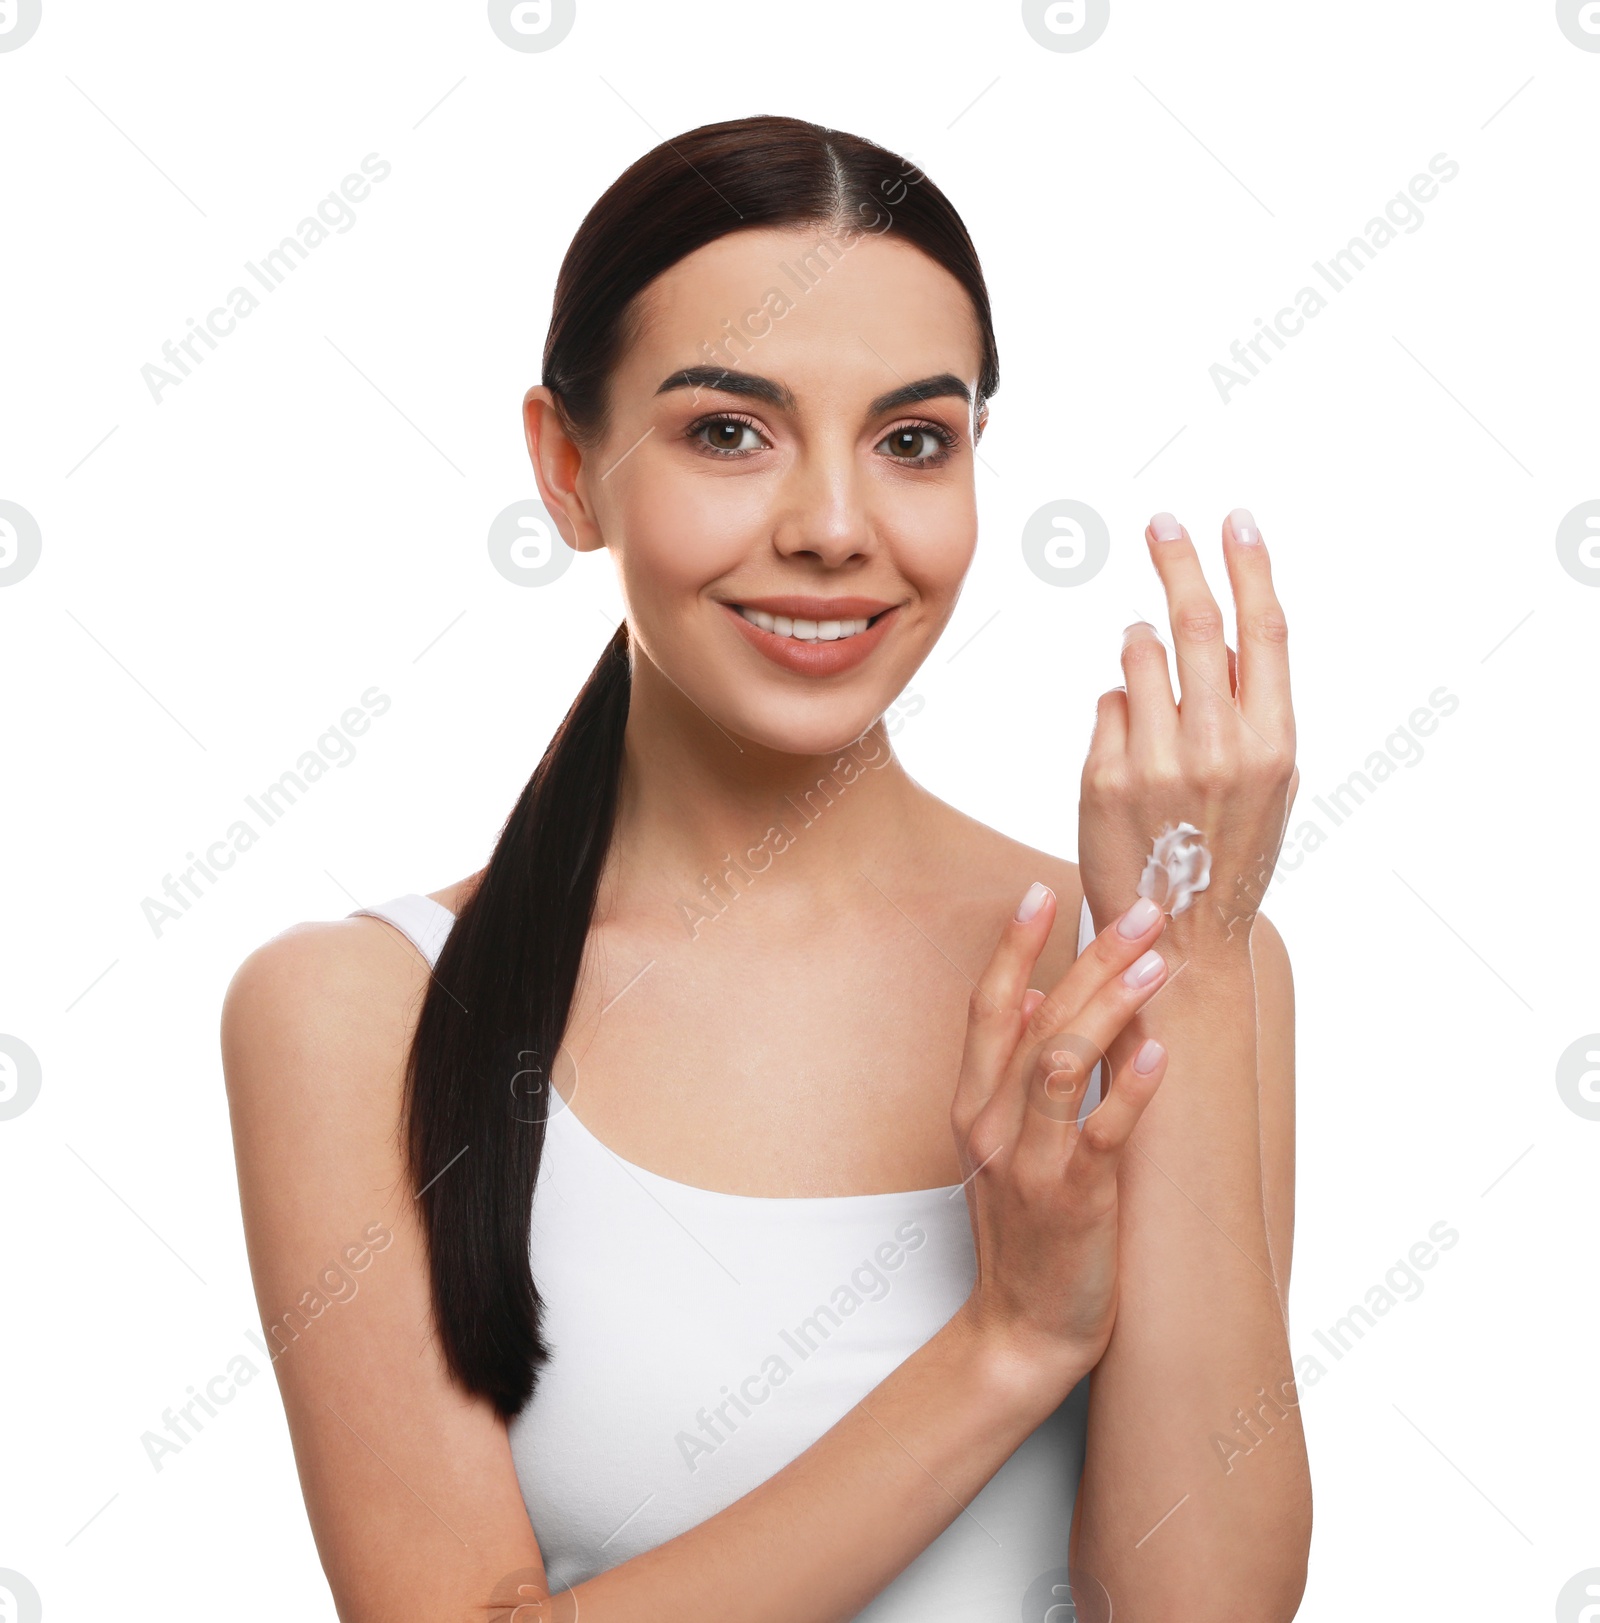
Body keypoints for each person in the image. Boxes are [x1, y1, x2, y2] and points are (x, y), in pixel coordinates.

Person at [221, 113, 1309, 1622]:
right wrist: (1005, 1345)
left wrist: (1183, 961)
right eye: (728, 431)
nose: (835, 530)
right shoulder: (354, 1010)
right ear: (567, 467)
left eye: (913, 441)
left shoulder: (1159, 967)